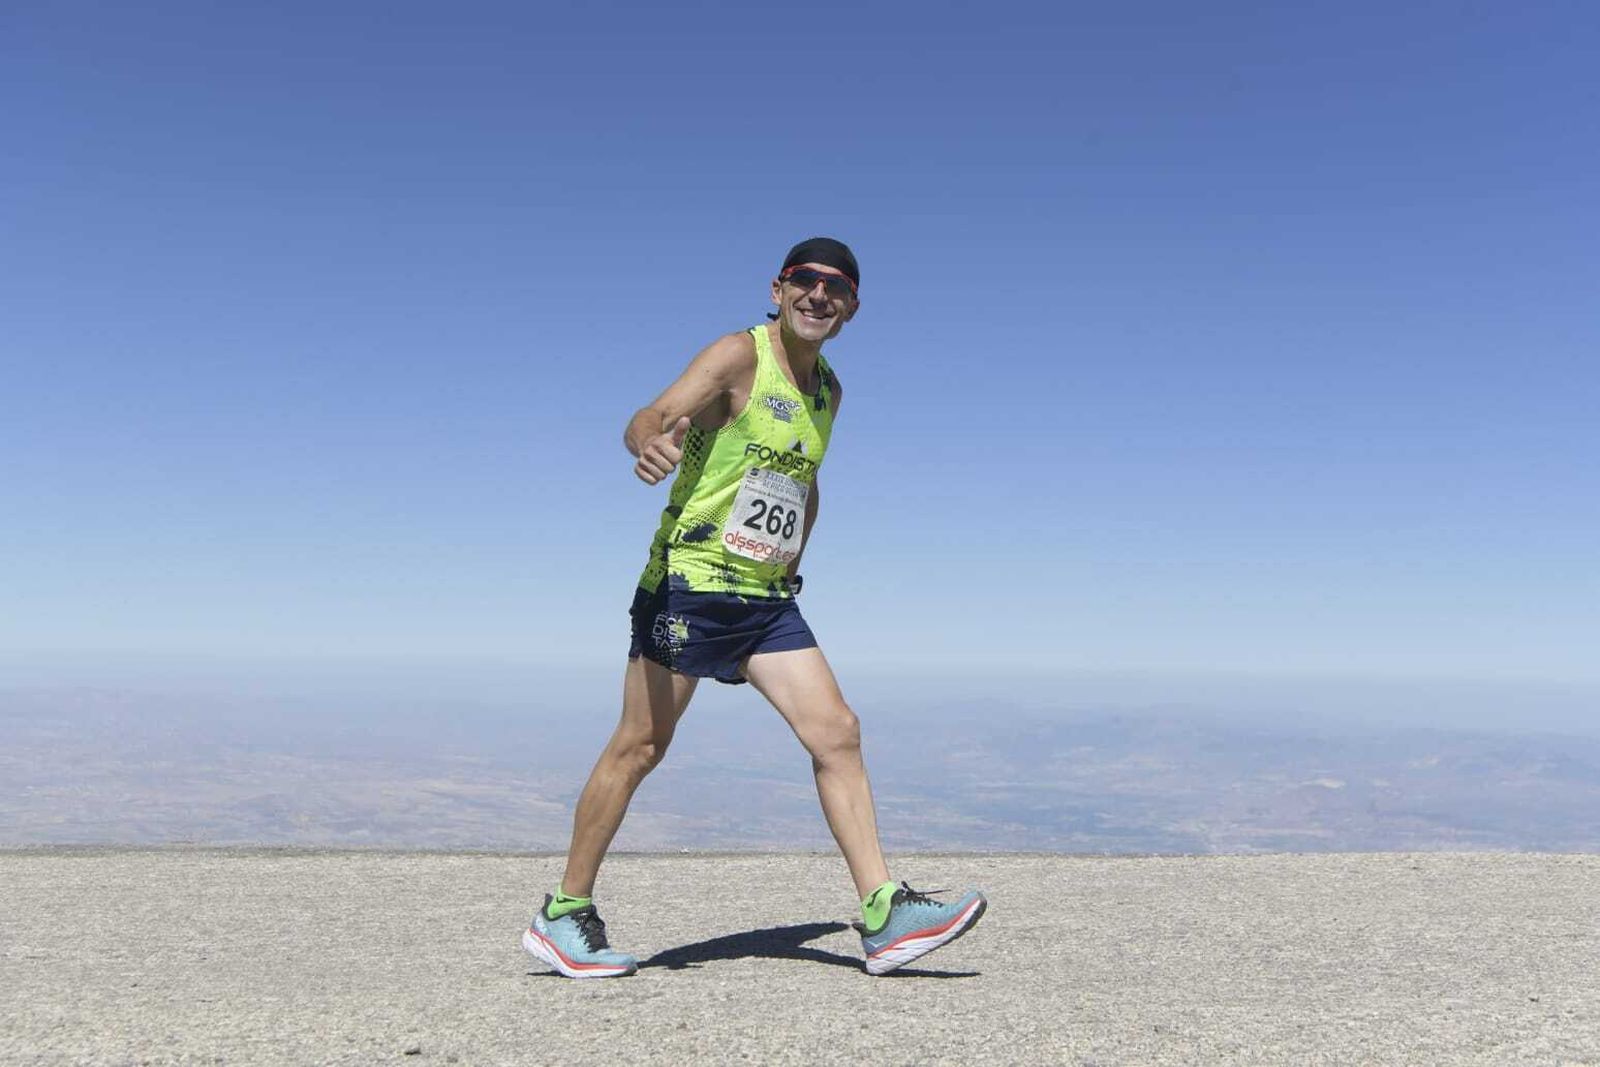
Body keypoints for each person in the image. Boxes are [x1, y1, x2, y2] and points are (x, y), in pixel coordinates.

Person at [522, 237, 986, 978]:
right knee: (640, 746)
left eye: (836, 288)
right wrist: (649, 444)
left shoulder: (828, 391)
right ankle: (563, 913)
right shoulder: (740, 356)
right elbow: (653, 412)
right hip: (690, 583)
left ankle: (882, 913)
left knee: (837, 730)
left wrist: (794, 555)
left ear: (852, 310)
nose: (818, 294)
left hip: (766, 598)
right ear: (777, 288)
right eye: (805, 280)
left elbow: (802, 479)